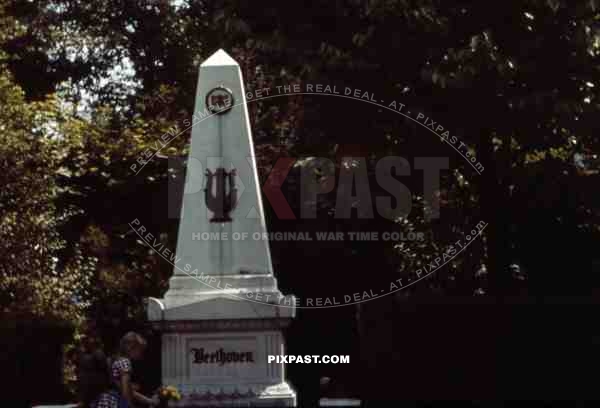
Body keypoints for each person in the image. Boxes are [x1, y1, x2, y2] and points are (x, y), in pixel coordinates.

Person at [111, 332, 159, 408]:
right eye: (140, 350)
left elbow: (130, 391)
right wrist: (129, 405)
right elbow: (125, 391)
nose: (141, 354)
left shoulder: (117, 360)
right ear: (131, 348)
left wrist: (149, 401)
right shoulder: (125, 362)